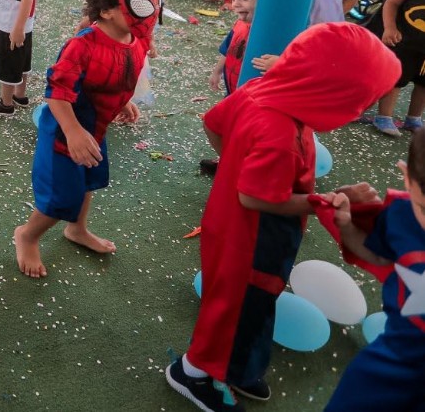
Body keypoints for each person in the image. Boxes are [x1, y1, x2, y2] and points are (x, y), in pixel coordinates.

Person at [165, 23, 399, 412]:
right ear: (331, 94)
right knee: (235, 309)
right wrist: (326, 200)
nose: (357, 111)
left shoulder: (260, 90)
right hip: (252, 238)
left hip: (231, 225)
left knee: (250, 304)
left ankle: (238, 366)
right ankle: (194, 371)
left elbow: (213, 123)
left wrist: (233, 166)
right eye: (358, 102)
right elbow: (255, 198)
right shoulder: (279, 132)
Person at [14, 0, 157, 279]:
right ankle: (27, 234)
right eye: (137, 4)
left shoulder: (135, 38)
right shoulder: (82, 46)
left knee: (88, 181)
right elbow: (56, 92)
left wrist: (122, 102)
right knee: (61, 196)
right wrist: (74, 131)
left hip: (96, 124)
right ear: (107, 11)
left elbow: (118, 73)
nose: (147, 11)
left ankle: (76, 229)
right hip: (67, 130)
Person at [319, 132, 425, 412]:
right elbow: (375, 253)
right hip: (394, 358)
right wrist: (347, 225)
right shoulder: (401, 213)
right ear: (407, 177)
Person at [203, 0, 275, 177]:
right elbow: (228, 50)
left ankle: (238, 166)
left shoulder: (272, 29)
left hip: (257, 98)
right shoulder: (240, 25)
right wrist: (217, 71)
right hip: (233, 90)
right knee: (221, 126)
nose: (236, 5)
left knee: (246, 132)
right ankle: (230, 161)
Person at [372, 0, 425, 137]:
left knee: (423, 84)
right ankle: (384, 115)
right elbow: (392, 3)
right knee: (396, 78)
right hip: (404, 42)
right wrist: (389, 27)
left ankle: (413, 118)